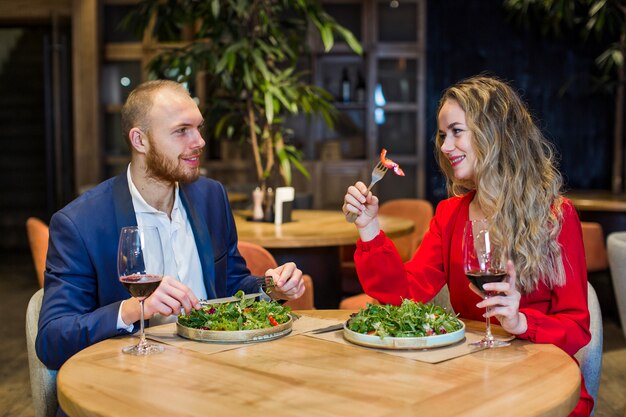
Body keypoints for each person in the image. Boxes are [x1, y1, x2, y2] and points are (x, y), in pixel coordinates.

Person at [343, 75, 593, 416]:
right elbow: (405, 294)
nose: (445, 147)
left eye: (457, 132)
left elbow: (576, 327)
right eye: (444, 135)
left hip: (539, 385)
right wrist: (369, 228)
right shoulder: (449, 215)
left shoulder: (555, 217)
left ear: (496, 134)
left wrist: (521, 323)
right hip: (471, 382)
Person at [37, 80, 305, 371]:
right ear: (140, 141)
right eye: (181, 131)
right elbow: (52, 340)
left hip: (215, 372)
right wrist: (133, 309)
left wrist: (271, 288)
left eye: (198, 128)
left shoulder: (210, 196)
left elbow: (231, 285)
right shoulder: (80, 223)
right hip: (127, 382)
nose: (200, 141)